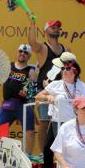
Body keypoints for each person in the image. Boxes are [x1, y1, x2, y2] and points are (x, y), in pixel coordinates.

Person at [35, 55, 85, 168]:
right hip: (58, 121)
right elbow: (38, 96)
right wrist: (48, 97)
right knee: (50, 149)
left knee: (66, 149)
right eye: (62, 68)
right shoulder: (56, 84)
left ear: (75, 71)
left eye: (67, 68)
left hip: (74, 122)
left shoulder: (81, 85)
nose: (64, 71)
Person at [29, 20, 69, 152]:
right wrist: (32, 25)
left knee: (62, 123)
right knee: (44, 123)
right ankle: (43, 155)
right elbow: (32, 43)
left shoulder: (66, 50)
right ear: (45, 30)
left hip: (62, 92)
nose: (56, 29)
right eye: (53, 27)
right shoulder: (43, 48)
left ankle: (60, 154)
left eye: (58, 27)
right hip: (45, 91)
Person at [0, 43, 35, 134]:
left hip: (23, 105)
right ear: (17, 52)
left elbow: (33, 90)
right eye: (20, 51)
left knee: (29, 132)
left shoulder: (31, 70)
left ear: (29, 56)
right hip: (7, 104)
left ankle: (28, 145)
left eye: (26, 52)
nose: (22, 53)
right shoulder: (8, 66)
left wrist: (27, 93)